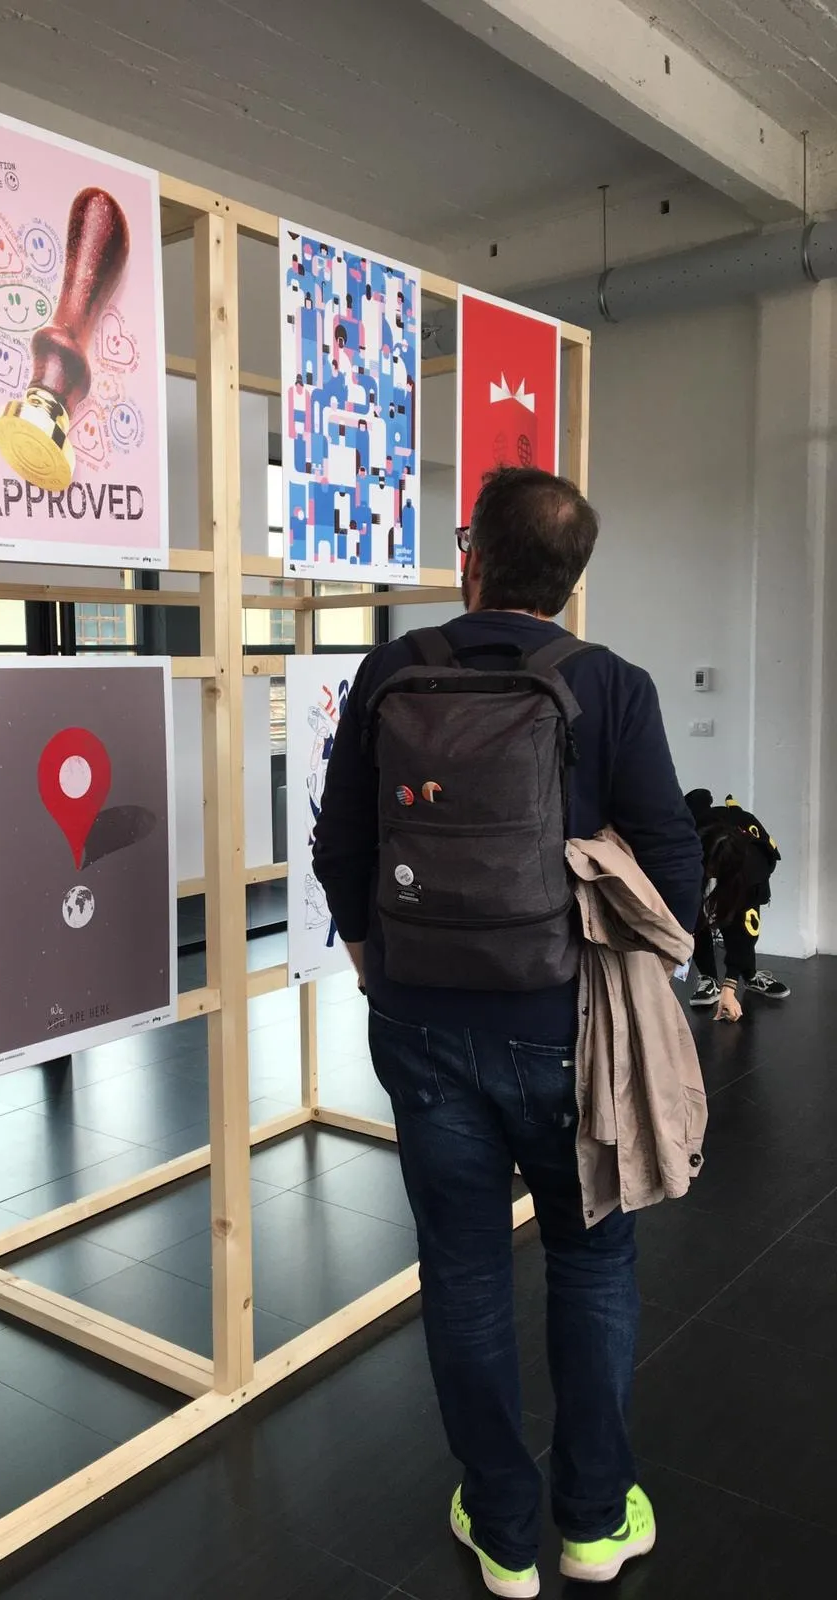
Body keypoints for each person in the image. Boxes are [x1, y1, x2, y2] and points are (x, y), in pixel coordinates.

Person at [313, 467, 702, 1597]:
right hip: (566, 1022)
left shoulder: (393, 670)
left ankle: (501, 1527)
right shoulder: (611, 685)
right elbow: (676, 875)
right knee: (590, 1259)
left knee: (466, 1268)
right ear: (572, 583)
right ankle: (593, 1521)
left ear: (467, 556)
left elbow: (341, 847)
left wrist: (377, 963)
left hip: (422, 1026)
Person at [685, 790, 788, 1022]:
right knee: (695, 914)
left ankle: (749, 975)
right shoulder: (687, 840)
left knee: (738, 919)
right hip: (698, 848)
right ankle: (709, 978)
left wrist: (730, 988)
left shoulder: (756, 866)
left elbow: (746, 928)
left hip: (738, 866)